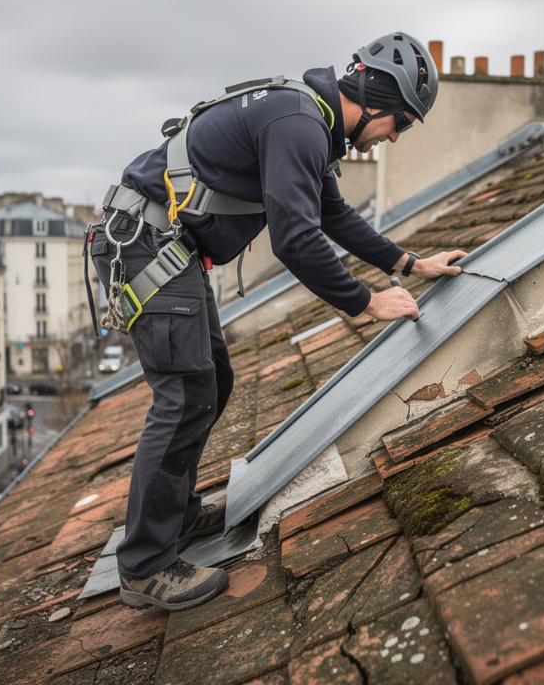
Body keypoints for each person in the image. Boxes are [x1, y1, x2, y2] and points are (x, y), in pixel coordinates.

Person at [93, 32, 467, 611]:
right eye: (401, 123)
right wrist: (367, 302)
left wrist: (410, 264)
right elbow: (296, 238)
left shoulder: (307, 118)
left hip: (162, 246)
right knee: (185, 395)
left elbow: (332, 215)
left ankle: (178, 514)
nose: (395, 136)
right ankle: (144, 566)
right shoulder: (299, 123)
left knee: (213, 382)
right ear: (374, 96)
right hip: (144, 243)